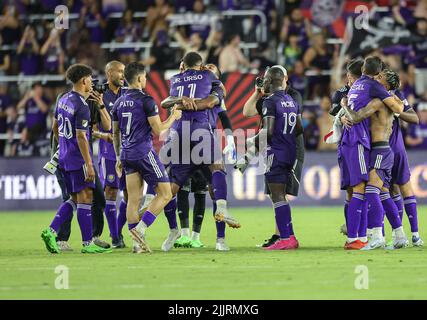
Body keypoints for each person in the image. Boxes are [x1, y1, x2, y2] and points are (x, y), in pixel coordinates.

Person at [160, 52, 240, 251]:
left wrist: (230, 139)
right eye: (207, 68)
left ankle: (216, 238)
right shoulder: (205, 86)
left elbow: (225, 117)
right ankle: (181, 232)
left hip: (201, 138)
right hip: (198, 138)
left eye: (214, 70)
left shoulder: (215, 95)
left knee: (205, 191)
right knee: (181, 188)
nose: (209, 71)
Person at [41, 64, 112, 254]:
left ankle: (51, 230)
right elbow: (82, 137)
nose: (92, 82)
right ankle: (88, 244)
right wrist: (89, 164)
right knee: (86, 197)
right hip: (78, 158)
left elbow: (55, 127)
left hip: (63, 157)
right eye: (90, 78)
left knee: (74, 197)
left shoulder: (63, 99)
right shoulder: (81, 106)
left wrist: (63, 146)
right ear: (84, 81)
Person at [112, 62, 182, 254]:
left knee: (133, 199)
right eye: (145, 77)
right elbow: (159, 129)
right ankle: (140, 231)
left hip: (126, 154)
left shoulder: (118, 102)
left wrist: (118, 155)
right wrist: (174, 116)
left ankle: (136, 245)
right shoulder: (146, 100)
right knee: (166, 194)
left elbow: (115, 133)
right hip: (143, 152)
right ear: (140, 78)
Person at [340, 56, 406, 250]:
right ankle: (400, 234)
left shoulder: (379, 101)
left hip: (380, 149)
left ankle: (377, 236)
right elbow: (400, 108)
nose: (377, 79)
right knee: (384, 192)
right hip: (383, 149)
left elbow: (358, 116)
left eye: (380, 78)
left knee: (370, 190)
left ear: (384, 82)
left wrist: (345, 106)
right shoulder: (390, 99)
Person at [239, 65, 304, 248]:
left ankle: (286, 239)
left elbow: (268, 131)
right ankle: (289, 236)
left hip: (276, 152)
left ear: (268, 81)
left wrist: (250, 145)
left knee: (277, 196)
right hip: (290, 151)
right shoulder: (291, 100)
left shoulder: (270, 101)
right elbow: (299, 128)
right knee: (280, 195)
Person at [377, 69, 423, 247]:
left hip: (387, 148)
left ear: (387, 84)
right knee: (395, 190)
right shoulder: (390, 95)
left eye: (381, 77)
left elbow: (414, 118)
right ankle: (406, 236)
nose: (377, 78)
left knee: (384, 190)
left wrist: (398, 112)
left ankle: (408, 235)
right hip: (394, 148)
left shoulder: (393, 96)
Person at [92, 61, 127, 249]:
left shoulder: (128, 93)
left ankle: (118, 230)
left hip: (128, 150)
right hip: (109, 153)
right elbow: (91, 129)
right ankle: (115, 237)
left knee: (130, 194)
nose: (123, 75)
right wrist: (105, 136)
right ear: (109, 72)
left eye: (124, 72)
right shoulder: (98, 95)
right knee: (111, 192)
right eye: (120, 71)